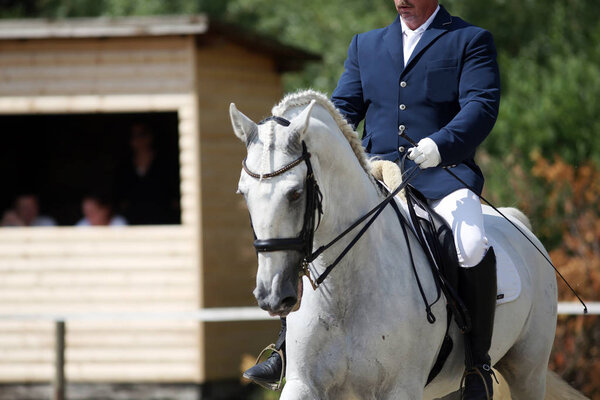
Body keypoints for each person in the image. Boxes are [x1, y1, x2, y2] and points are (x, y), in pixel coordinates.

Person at [244, 1, 501, 399]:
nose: (402, 0)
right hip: (376, 174)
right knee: (314, 231)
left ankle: (477, 364)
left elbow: (481, 106)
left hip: (440, 175)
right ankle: (285, 348)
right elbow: (344, 110)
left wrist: (441, 145)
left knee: (469, 245)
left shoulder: (468, 40)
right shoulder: (366, 45)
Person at [114, 122, 180, 225]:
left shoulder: (165, 162)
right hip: (133, 223)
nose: (138, 140)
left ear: (150, 137)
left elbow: (174, 192)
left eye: (141, 135)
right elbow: (120, 195)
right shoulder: (125, 166)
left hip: (163, 221)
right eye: (133, 136)